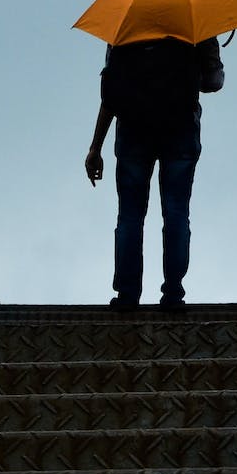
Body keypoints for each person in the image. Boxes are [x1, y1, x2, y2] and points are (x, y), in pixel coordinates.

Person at [84, 34, 225, 312]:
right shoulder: (197, 23)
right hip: (181, 131)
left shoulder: (127, 25)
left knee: (130, 216)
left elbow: (110, 94)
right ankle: (173, 294)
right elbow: (213, 82)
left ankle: (127, 295)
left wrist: (95, 147)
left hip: (133, 132)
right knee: (176, 213)